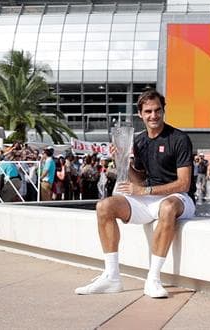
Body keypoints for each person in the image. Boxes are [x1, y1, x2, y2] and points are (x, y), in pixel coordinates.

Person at [75, 89, 195, 298]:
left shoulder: (179, 139)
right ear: (140, 114)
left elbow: (184, 184)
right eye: (148, 111)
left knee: (167, 208)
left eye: (158, 110)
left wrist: (145, 190)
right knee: (104, 206)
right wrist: (122, 160)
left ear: (163, 111)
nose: (153, 116)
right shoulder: (139, 142)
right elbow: (138, 180)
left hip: (179, 198)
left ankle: (153, 279)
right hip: (149, 198)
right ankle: (112, 277)